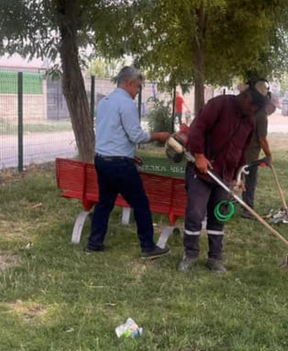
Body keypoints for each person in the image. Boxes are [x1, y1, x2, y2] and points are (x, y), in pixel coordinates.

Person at [178, 80, 270, 273]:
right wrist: (199, 155)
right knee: (195, 214)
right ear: (244, 96)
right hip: (201, 171)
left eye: (257, 107)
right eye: (252, 104)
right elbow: (198, 128)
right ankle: (191, 254)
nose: (253, 109)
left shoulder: (250, 120)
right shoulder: (219, 104)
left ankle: (215, 258)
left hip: (225, 176)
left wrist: (239, 176)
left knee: (218, 216)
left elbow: (242, 150)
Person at [86, 66, 171, 259]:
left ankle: (94, 244)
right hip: (119, 166)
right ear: (129, 83)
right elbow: (136, 135)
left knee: (104, 204)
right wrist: (158, 135)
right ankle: (148, 247)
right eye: (138, 87)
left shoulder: (104, 102)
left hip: (102, 160)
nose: (138, 92)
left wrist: (129, 154)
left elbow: (110, 134)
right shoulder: (126, 104)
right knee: (140, 203)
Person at [241, 94, 276, 219]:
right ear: (269, 105)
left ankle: (227, 203)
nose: (274, 110)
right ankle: (247, 210)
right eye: (274, 107)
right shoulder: (262, 116)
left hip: (241, 151)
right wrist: (269, 156)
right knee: (250, 182)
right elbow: (262, 140)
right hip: (249, 156)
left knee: (236, 179)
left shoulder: (253, 112)